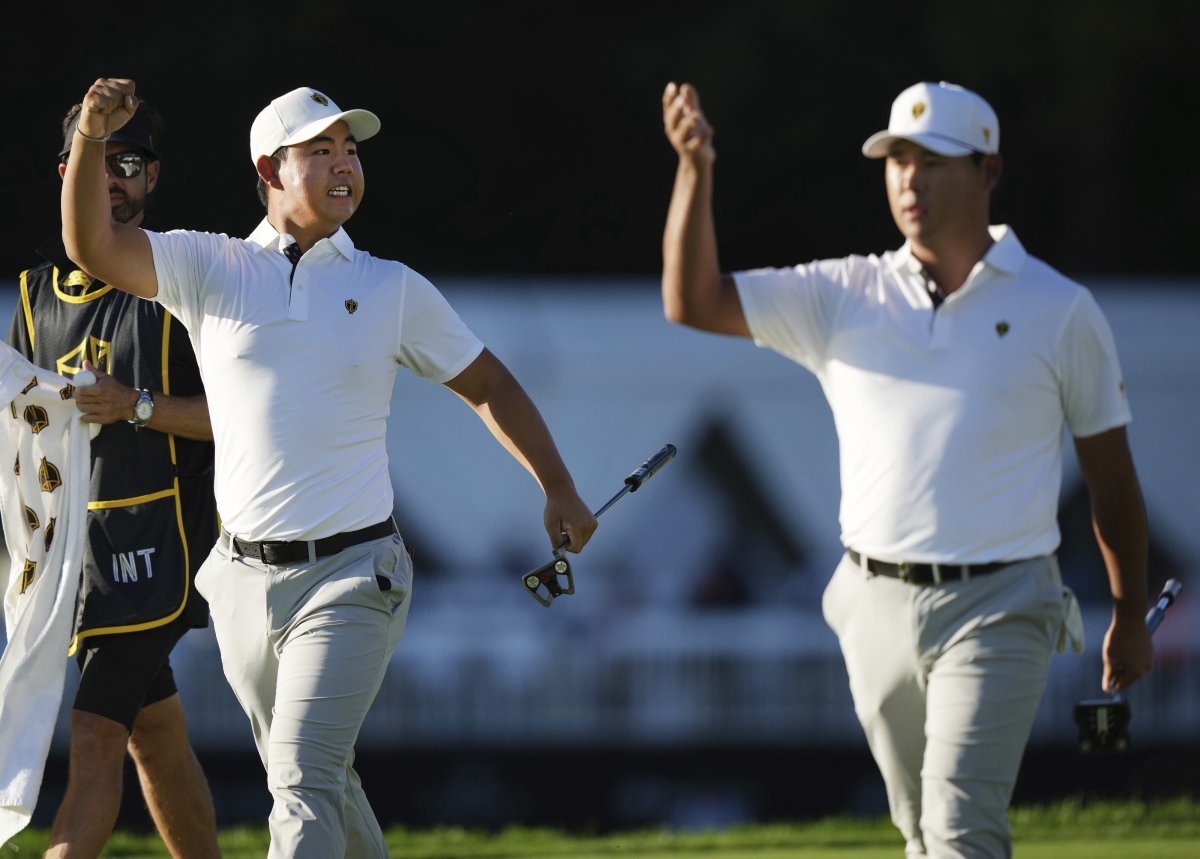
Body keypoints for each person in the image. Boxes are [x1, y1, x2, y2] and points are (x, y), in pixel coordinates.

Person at [61, 77, 598, 858]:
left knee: (302, 776)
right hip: (242, 583)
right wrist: (88, 140)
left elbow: (490, 384)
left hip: (355, 572)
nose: (344, 163)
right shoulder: (212, 267)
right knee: (324, 776)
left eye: (350, 149)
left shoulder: (390, 286)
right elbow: (94, 246)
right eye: (320, 149)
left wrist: (557, 484)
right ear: (269, 170)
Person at [660, 79, 1153, 857]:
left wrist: (1127, 608)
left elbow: (1111, 473)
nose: (910, 180)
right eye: (896, 160)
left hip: (1003, 602)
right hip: (872, 602)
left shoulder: (1059, 308)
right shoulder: (843, 293)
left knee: (961, 829)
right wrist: (695, 169)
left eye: (934, 161)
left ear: (988, 171)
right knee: (921, 833)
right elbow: (691, 300)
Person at [8, 101, 220, 858]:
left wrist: (136, 406)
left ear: (153, 177)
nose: (111, 180)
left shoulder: (182, 284)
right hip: (74, 556)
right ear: (66, 175)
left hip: (160, 544)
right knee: (155, 734)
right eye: (95, 162)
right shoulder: (32, 300)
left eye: (127, 165)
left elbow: (243, 421)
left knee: (95, 733)